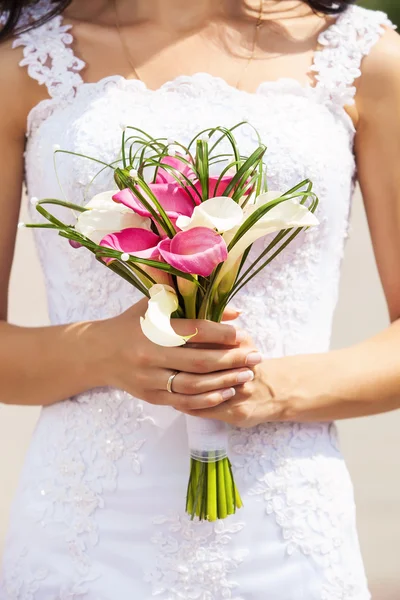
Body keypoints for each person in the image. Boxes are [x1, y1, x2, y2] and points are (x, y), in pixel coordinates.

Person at [0, 0, 399, 598]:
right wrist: (102, 352)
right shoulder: (23, 60)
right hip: (83, 541)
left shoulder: (366, 59)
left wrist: (268, 389)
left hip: (283, 536)